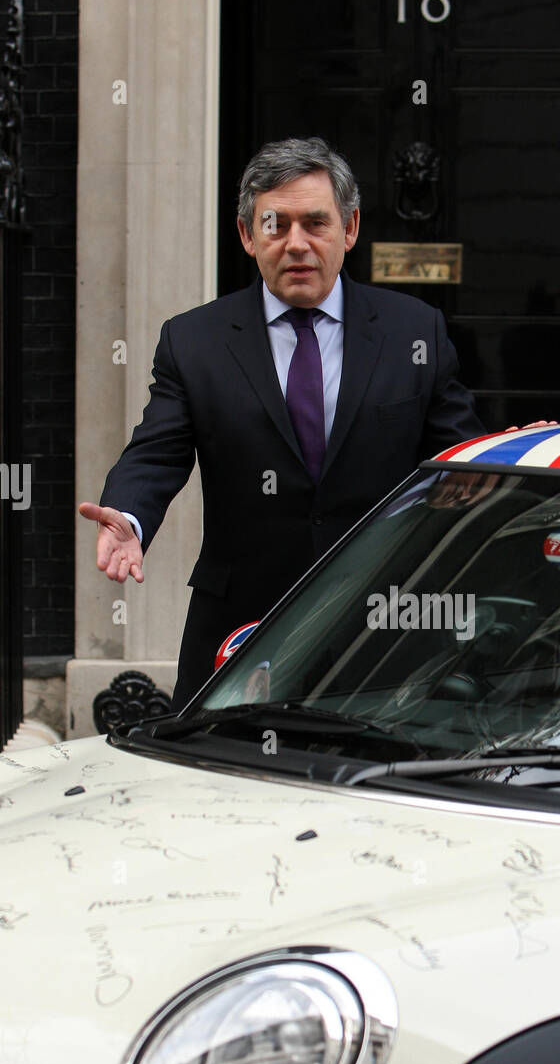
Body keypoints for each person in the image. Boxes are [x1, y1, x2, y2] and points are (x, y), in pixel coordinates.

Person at [79, 137, 486, 709]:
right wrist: (127, 514)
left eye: (316, 223)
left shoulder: (414, 331)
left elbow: (460, 456)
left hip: (383, 627)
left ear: (350, 229)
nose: (297, 244)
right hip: (239, 630)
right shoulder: (194, 341)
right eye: (276, 224)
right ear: (248, 235)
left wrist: (518, 457)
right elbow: (156, 450)